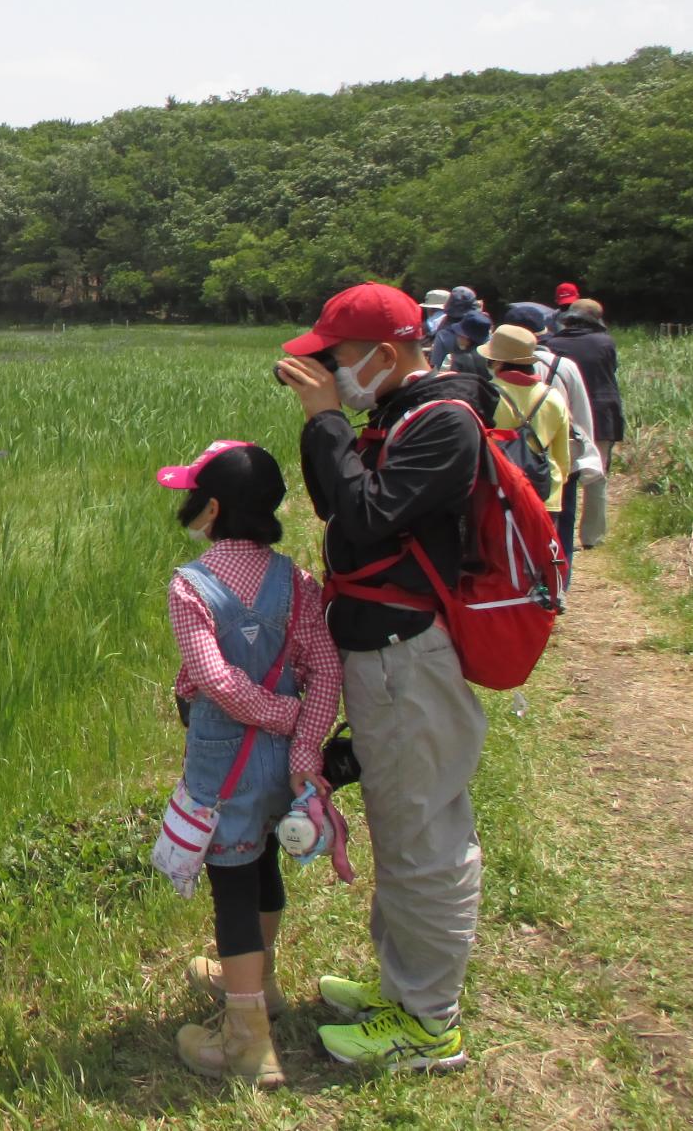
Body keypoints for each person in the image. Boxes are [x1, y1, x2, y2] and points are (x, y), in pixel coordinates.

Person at [276, 282, 490, 1073]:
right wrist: (329, 422)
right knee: (401, 832)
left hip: (410, 661)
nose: (328, 373)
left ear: (386, 356)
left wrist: (329, 419)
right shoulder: (398, 416)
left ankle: (428, 1025)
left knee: (424, 840)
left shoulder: (443, 426)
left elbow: (362, 527)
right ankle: (402, 992)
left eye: (335, 360)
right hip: (386, 660)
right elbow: (338, 503)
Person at [157, 441, 343, 1088]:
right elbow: (323, 672)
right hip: (280, 768)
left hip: (224, 763)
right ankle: (259, 984)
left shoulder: (191, 587)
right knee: (262, 864)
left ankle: (245, 1041)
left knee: (230, 884)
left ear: (211, 509)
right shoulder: (297, 582)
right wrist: (302, 740)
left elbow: (217, 682)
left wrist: (278, 716)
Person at [505, 303, 603, 580]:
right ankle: (559, 586)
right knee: (561, 526)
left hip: (512, 462)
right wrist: (586, 457)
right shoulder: (565, 366)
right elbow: (581, 417)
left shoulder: (496, 373)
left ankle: (523, 587)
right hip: (560, 462)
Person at [478, 325, 575, 566]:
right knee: (538, 562)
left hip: (498, 491)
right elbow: (563, 461)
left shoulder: (487, 394)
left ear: (497, 362)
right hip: (544, 493)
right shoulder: (553, 397)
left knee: (499, 564)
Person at [545, 297, 624, 549]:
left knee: (562, 472)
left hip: (565, 413)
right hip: (602, 413)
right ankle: (592, 537)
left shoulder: (553, 344)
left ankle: (556, 531)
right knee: (597, 475)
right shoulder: (605, 342)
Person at [428, 286, 482, 370]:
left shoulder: (444, 335)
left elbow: (435, 366)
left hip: (452, 380)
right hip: (480, 380)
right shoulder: (484, 330)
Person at [437, 310, 494, 380]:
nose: (457, 335)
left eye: (459, 333)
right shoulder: (492, 359)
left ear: (466, 337)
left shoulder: (451, 358)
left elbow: (441, 381)